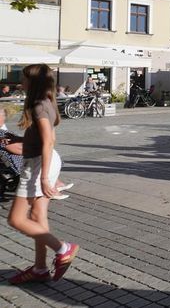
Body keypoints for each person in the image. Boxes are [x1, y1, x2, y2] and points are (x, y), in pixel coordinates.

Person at [6, 64, 79, 284]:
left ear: (33, 82)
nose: (21, 82)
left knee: (16, 219)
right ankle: (39, 269)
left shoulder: (38, 105)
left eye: (24, 78)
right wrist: (20, 140)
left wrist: (46, 178)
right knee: (37, 217)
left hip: (38, 164)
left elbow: (49, 140)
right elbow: (43, 138)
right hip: (43, 159)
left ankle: (63, 248)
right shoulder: (46, 102)